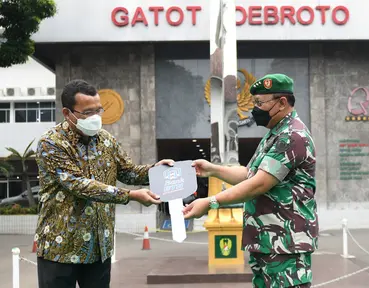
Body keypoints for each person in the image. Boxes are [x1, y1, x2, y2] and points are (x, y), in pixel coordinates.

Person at [34, 79, 174, 288]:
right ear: (67, 113)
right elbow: (78, 184)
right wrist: (130, 195)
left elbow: (128, 172)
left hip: (98, 247)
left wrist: (157, 170)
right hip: (59, 248)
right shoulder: (51, 143)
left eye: (98, 110)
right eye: (87, 112)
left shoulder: (106, 140)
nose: (95, 117)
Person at [184, 74, 319, 288]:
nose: (253, 109)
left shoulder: (292, 136)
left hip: (285, 244)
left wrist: (211, 202)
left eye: (259, 103)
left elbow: (259, 184)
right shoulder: (274, 134)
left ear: (282, 103)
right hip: (267, 243)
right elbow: (249, 174)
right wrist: (212, 170)